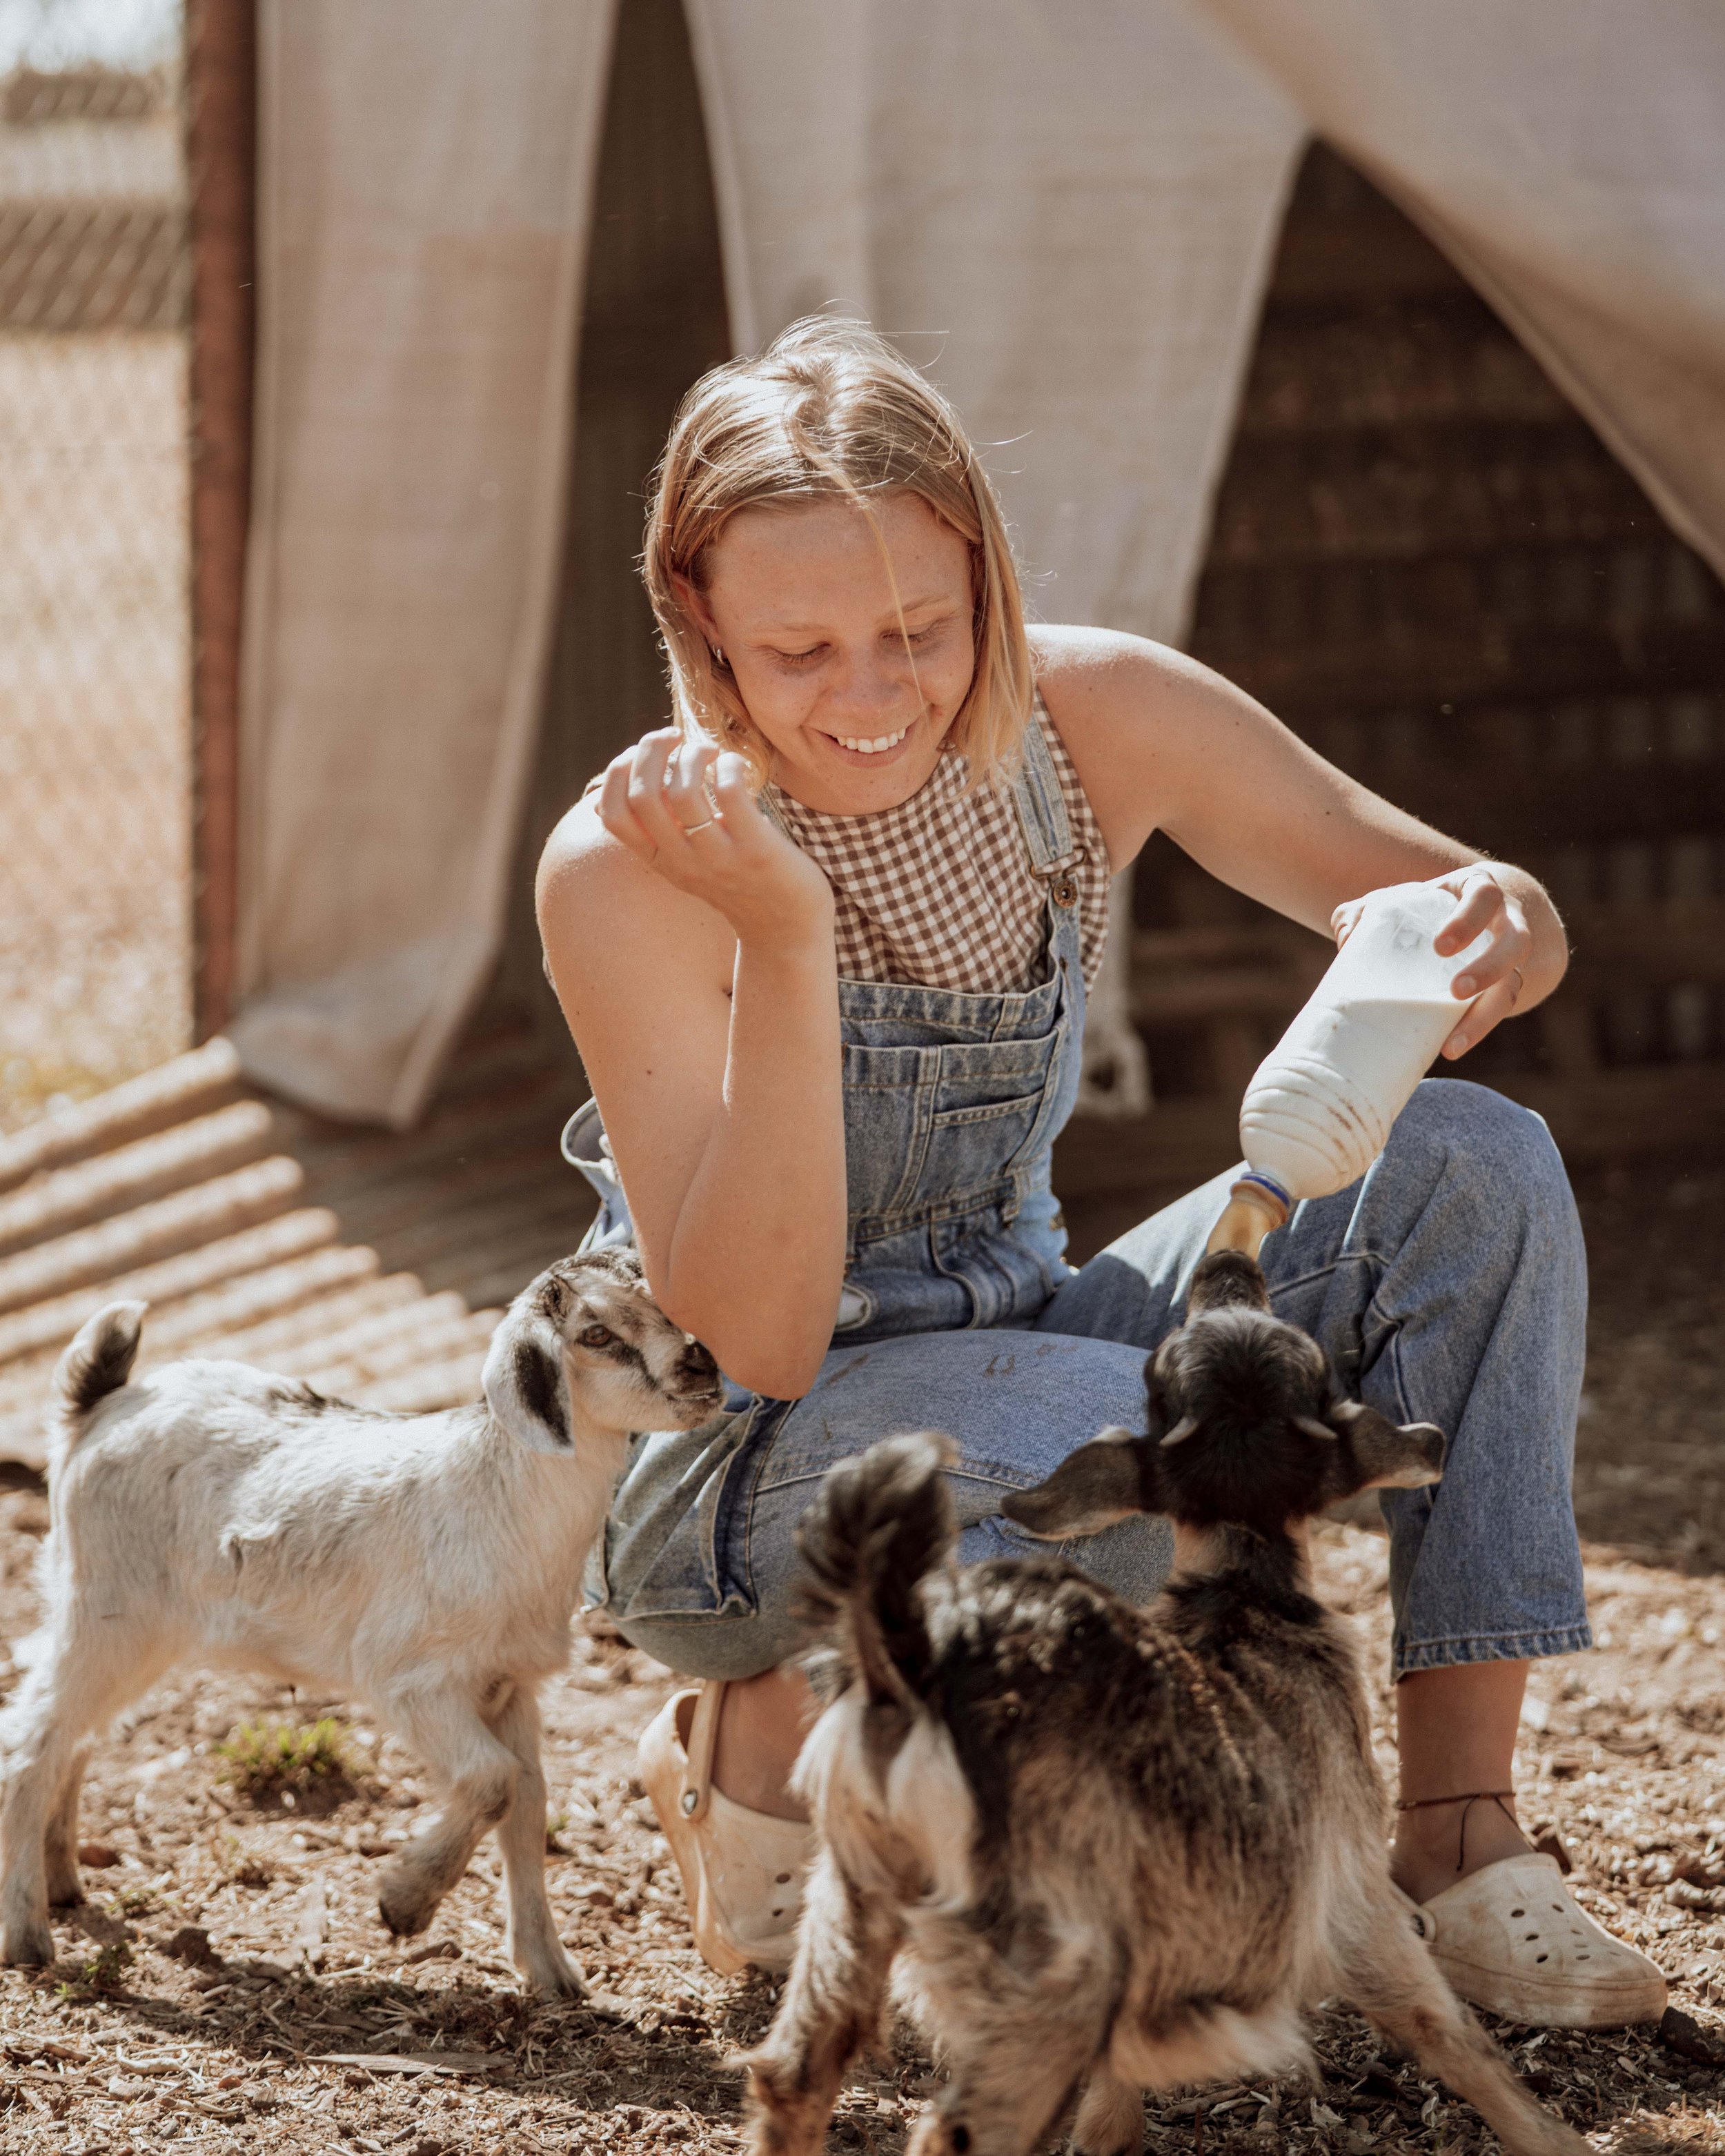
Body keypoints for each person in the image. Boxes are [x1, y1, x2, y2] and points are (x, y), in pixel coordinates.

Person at [536, 318, 1664, 2028]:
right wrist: (782, 927)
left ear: (983, 569)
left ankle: (1456, 1842)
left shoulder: (1092, 719)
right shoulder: (633, 869)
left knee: (1471, 1165)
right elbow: (750, 1343)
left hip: (1027, 1328)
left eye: (921, 624)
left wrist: (1508, 915)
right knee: (1099, 1443)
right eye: (801, 647)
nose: (872, 690)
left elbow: (1435, 897)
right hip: (737, 1473)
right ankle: (757, 1726)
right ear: (696, 619)